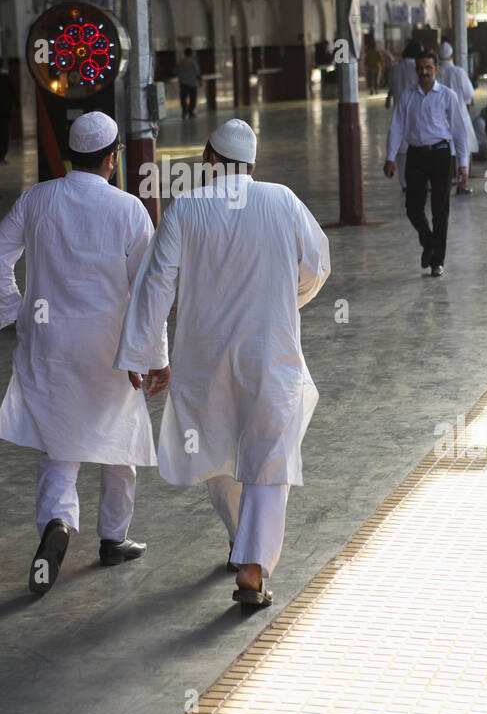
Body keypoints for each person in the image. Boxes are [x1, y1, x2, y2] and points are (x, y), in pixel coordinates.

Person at [115, 118, 330, 610]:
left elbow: (154, 287)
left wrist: (144, 356)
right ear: (253, 165)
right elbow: (318, 264)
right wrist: (287, 296)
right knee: (270, 457)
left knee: (215, 455)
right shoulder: (282, 200)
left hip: (204, 361)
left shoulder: (186, 208)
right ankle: (251, 559)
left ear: (210, 161)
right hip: (269, 356)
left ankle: (244, 547)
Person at [0, 111, 167, 595]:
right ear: (112, 158)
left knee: (59, 446)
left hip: (50, 343)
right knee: (118, 443)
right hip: (111, 346)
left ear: (72, 154)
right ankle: (113, 538)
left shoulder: (36, 199)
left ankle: (58, 523)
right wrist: (154, 356)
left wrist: (14, 313)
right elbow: (148, 290)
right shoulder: (129, 210)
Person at [384, 50, 468, 277]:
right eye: (420, 68)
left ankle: (437, 260)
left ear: (436, 69)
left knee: (440, 209)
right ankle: (429, 242)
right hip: (415, 155)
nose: (424, 72)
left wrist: (463, 164)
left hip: (441, 154)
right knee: (413, 208)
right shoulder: (407, 96)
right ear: (416, 70)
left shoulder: (447, 95)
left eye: (428, 68)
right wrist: (390, 156)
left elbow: (459, 131)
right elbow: (397, 127)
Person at [438, 42, 479, 194]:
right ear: (452, 55)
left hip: (441, 117)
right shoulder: (458, 72)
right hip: (459, 114)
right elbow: (469, 93)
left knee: (444, 151)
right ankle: (462, 184)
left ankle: (445, 182)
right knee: (463, 148)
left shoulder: (436, 72)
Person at [391, 40, 422, 191]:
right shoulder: (416, 68)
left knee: (400, 147)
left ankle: (404, 183)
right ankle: (421, 180)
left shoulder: (395, 68)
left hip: (398, 108)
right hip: (414, 111)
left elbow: (391, 86)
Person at [175, 47, 201, 119]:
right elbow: (197, 72)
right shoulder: (193, 62)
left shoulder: (181, 62)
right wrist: (200, 81)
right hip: (192, 83)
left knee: (183, 98)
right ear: (191, 53)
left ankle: (184, 110)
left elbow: (176, 71)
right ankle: (190, 111)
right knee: (193, 98)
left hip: (183, 83)